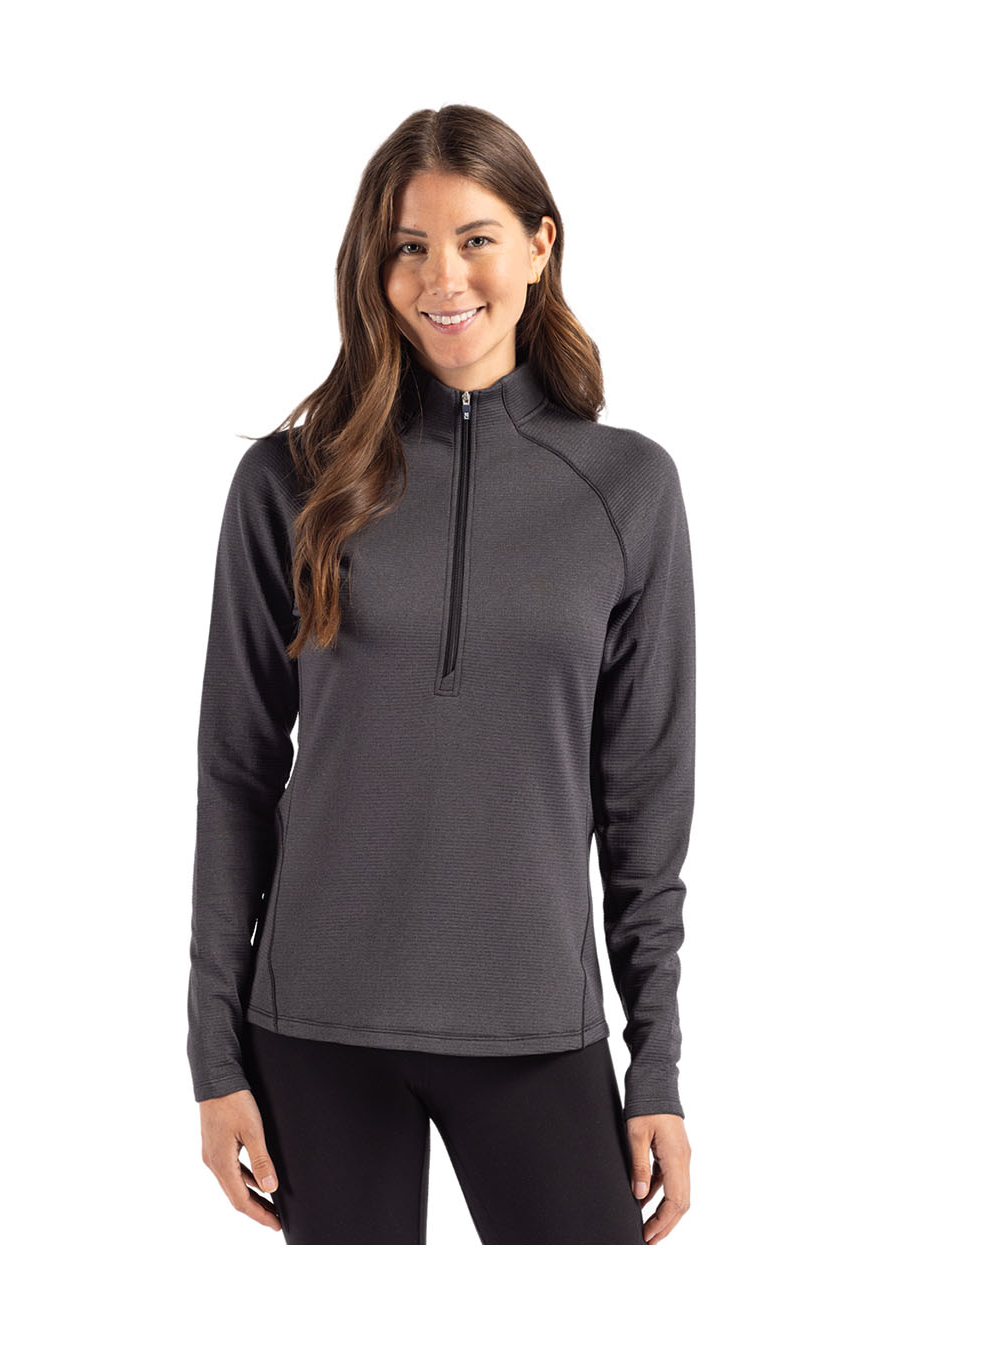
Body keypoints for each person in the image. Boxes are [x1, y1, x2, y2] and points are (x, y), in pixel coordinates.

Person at [187, 104, 696, 1245]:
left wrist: (655, 1064)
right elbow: (236, 773)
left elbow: (647, 806)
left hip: (535, 1024)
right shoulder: (290, 483)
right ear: (374, 268)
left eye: (475, 238)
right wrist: (215, 1055)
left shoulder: (626, 490)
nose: (442, 278)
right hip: (315, 1029)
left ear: (539, 246)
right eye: (409, 246)